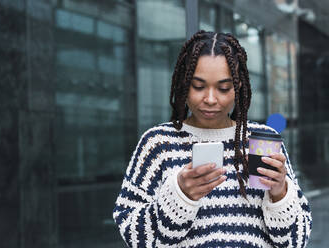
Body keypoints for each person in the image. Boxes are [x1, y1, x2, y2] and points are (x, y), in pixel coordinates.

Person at [113, 30, 312, 248]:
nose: (210, 99)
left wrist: (280, 194)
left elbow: (296, 241)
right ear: (183, 83)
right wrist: (179, 196)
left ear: (239, 87)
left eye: (224, 88)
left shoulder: (261, 141)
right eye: (198, 86)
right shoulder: (158, 143)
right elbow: (134, 236)